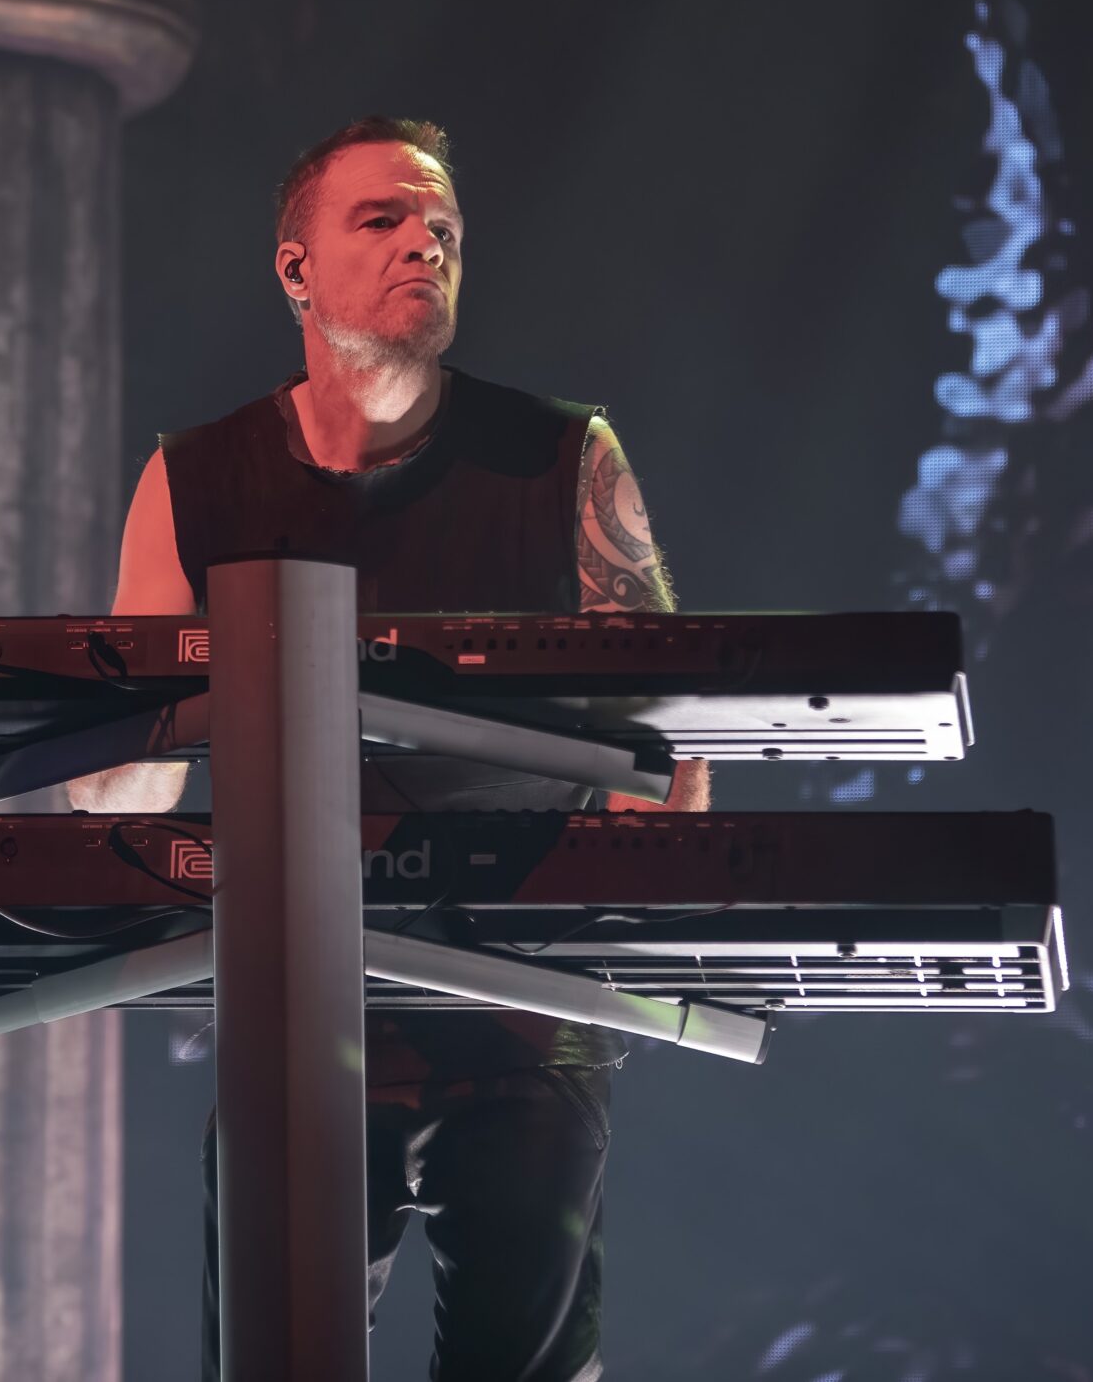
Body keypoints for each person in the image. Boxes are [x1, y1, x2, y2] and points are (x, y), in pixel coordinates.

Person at [70, 116, 706, 1381]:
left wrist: (636, 902)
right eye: (384, 218)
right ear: (295, 268)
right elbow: (123, 783)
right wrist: (113, 765)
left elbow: (664, 736)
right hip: (297, 997)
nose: (426, 241)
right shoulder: (194, 477)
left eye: (443, 226)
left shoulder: (563, 456)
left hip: (527, 995)